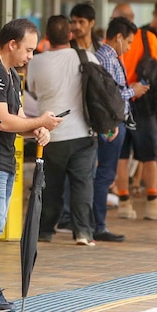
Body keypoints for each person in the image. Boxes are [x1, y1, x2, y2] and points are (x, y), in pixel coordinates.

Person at [0, 18, 62, 312]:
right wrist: (38, 121)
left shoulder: (11, 75)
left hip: (3, 158)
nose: (31, 56)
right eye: (29, 50)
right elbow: (2, 119)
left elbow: (17, 120)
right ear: (12, 44)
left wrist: (36, 130)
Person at [27, 16, 98, 245]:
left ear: (46, 37)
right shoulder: (86, 56)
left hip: (51, 134)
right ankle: (83, 232)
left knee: (51, 185)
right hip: (82, 133)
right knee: (82, 184)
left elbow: (34, 91)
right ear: (70, 35)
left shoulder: (36, 62)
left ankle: (46, 230)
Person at [91, 17, 146, 242]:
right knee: (105, 174)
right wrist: (133, 91)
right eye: (130, 42)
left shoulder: (101, 56)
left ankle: (93, 223)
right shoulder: (108, 58)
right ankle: (98, 225)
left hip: (109, 123)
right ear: (119, 37)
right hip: (111, 124)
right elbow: (109, 96)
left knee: (101, 174)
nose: (130, 47)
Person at [115, 14, 157, 222]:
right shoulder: (147, 37)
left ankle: (124, 202)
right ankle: (152, 203)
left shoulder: (109, 41)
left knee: (121, 155)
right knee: (149, 156)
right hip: (143, 103)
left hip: (119, 102)